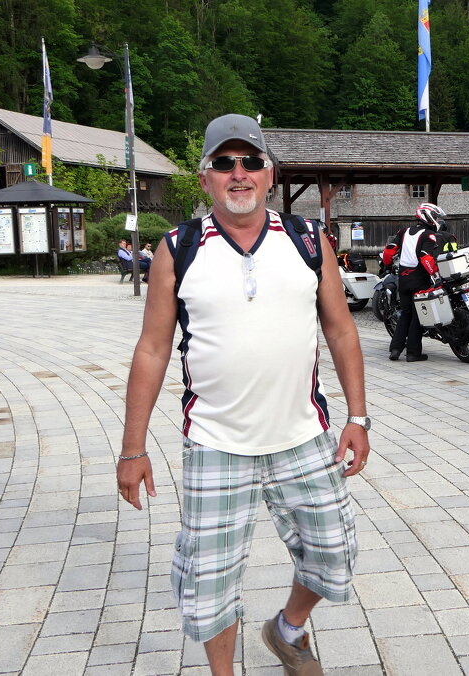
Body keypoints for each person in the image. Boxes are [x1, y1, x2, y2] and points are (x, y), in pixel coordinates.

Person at [118, 113, 370, 676]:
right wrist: (133, 448)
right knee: (210, 583)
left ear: (269, 174)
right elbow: (153, 350)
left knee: (332, 553)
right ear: (204, 177)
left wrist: (358, 416)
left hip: (304, 437)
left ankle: (287, 630)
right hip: (215, 443)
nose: (239, 173)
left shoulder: (308, 241)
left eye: (250, 162)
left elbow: (341, 330)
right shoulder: (178, 248)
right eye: (224, 163)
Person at [381, 202, 448, 362]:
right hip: (419, 281)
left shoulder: (404, 231)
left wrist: (387, 265)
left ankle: (395, 350)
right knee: (418, 317)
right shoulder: (428, 235)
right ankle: (413, 353)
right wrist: (436, 275)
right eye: (436, 216)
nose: (437, 220)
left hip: (403, 279)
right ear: (428, 216)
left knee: (405, 314)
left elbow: (389, 250)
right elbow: (426, 257)